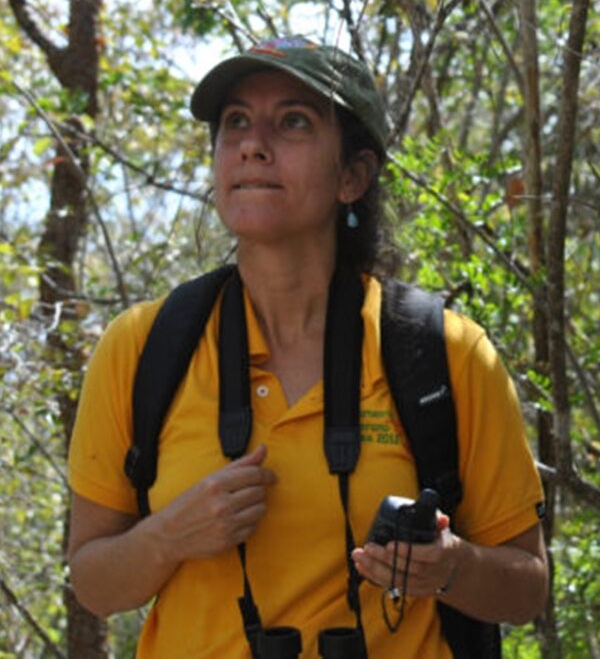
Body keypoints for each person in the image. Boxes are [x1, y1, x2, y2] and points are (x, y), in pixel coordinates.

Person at [67, 36, 548, 658]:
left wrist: (448, 567)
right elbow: (93, 582)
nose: (252, 143)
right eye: (235, 121)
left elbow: (527, 586)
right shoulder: (143, 347)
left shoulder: (444, 354)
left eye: (292, 121)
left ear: (353, 175)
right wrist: (167, 537)